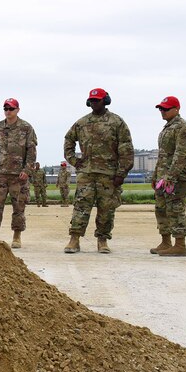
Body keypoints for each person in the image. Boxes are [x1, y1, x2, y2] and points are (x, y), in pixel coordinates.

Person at [63, 87, 134, 254]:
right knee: (81, 207)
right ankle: (74, 239)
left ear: (105, 101)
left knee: (106, 209)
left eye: (97, 100)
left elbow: (126, 150)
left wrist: (121, 173)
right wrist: (74, 160)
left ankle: (102, 240)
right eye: (92, 101)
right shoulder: (81, 123)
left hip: (108, 175)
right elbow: (68, 141)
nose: (94, 103)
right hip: (86, 174)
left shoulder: (117, 122)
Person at [0, 97, 36, 249]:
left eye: (11, 109)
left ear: (17, 110)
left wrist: (27, 170)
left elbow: (31, 151)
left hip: (18, 176)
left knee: (19, 207)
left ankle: (17, 236)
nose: (8, 111)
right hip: (0, 174)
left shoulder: (26, 128)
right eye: (5, 109)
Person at [150, 96, 186, 257]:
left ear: (176, 109)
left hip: (177, 177)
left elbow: (180, 155)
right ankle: (166, 241)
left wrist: (171, 176)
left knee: (175, 210)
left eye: (166, 109)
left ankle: (180, 245)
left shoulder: (183, 127)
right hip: (163, 176)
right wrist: (156, 176)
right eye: (161, 109)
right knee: (161, 209)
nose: (162, 111)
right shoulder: (167, 128)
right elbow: (163, 156)